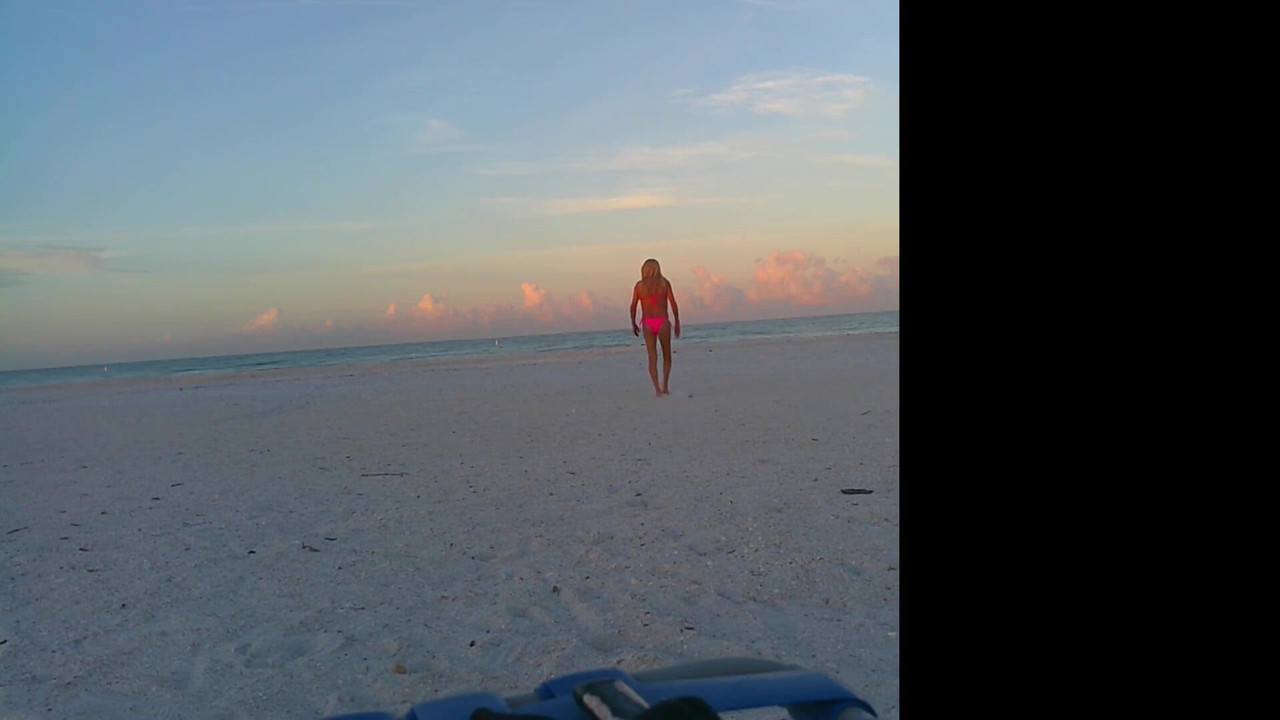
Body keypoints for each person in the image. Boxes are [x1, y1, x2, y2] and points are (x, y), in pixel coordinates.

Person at [630, 258, 681, 397]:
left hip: (647, 323)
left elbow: (633, 306)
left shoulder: (640, 286)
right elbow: (673, 303)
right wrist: (677, 322)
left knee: (652, 356)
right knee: (667, 355)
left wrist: (633, 323)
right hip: (663, 321)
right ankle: (665, 385)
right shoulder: (664, 283)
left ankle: (657, 389)